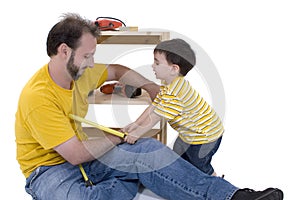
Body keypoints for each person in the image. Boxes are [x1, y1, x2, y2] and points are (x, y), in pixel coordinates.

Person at [15, 13, 283, 200]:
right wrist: (118, 133)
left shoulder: (81, 73)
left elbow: (117, 70)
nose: (91, 62)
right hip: (49, 169)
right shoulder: (38, 97)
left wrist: (150, 86)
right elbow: (74, 154)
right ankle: (130, 180)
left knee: (152, 150)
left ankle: (233, 196)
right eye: (87, 55)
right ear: (64, 51)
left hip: (88, 155)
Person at [123, 38, 223, 177]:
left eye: (157, 62)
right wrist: (135, 124)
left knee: (199, 165)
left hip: (205, 136)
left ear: (174, 69)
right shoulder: (168, 84)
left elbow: (155, 118)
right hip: (189, 134)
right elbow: (154, 106)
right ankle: (184, 179)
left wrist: (137, 133)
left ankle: (215, 182)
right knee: (178, 157)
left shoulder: (175, 94)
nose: (152, 66)